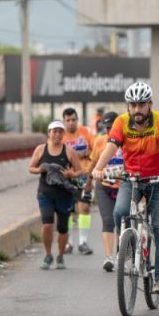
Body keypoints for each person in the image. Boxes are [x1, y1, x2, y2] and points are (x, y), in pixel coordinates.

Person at [92, 81, 159, 294]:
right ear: (128, 106)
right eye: (133, 105)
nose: (137, 109)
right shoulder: (121, 122)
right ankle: (127, 248)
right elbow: (111, 147)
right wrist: (98, 168)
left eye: (141, 105)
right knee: (120, 211)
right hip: (132, 179)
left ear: (150, 104)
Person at [29, 120, 84, 269]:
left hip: (64, 195)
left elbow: (80, 171)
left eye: (60, 131)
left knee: (62, 228)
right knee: (47, 225)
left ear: (63, 134)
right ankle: (48, 255)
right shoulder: (41, 149)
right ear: (49, 133)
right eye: (54, 131)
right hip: (45, 194)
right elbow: (31, 168)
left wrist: (71, 174)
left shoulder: (69, 151)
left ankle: (60, 256)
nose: (57, 134)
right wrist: (41, 169)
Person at [90, 111, 124, 271]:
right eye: (106, 128)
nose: (109, 131)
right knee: (108, 221)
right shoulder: (99, 141)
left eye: (112, 127)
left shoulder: (128, 141)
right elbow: (94, 163)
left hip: (124, 186)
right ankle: (109, 257)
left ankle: (121, 252)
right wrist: (88, 181)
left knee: (121, 222)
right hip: (104, 186)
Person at [61, 107, 95, 256]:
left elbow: (96, 151)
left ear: (77, 120)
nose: (70, 123)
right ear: (64, 121)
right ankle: (69, 242)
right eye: (67, 120)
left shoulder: (86, 133)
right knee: (67, 210)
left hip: (83, 176)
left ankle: (83, 242)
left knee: (85, 207)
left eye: (73, 119)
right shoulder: (60, 136)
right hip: (67, 177)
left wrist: (88, 154)